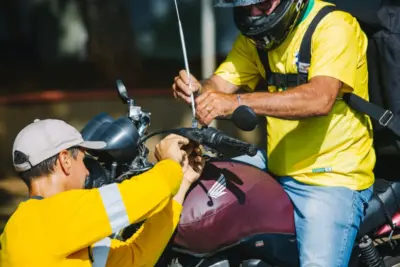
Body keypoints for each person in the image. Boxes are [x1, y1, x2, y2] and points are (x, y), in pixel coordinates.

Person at [172, 0, 375, 266]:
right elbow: (219, 85)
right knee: (201, 184)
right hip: (276, 163)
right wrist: (200, 91)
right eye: (247, 8)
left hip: (331, 177)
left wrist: (235, 103)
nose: (255, 15)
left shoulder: (333, 26)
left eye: (263, 4)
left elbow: (320, 99)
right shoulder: (258, 40)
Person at [0, 118, 204, 267]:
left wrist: (183, 182)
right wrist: (168, 161)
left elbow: (136, 257)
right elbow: (145, 193)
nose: (88, 170)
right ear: (65, 161)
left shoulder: (25, 225)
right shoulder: (56, 215)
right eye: (82, 159)